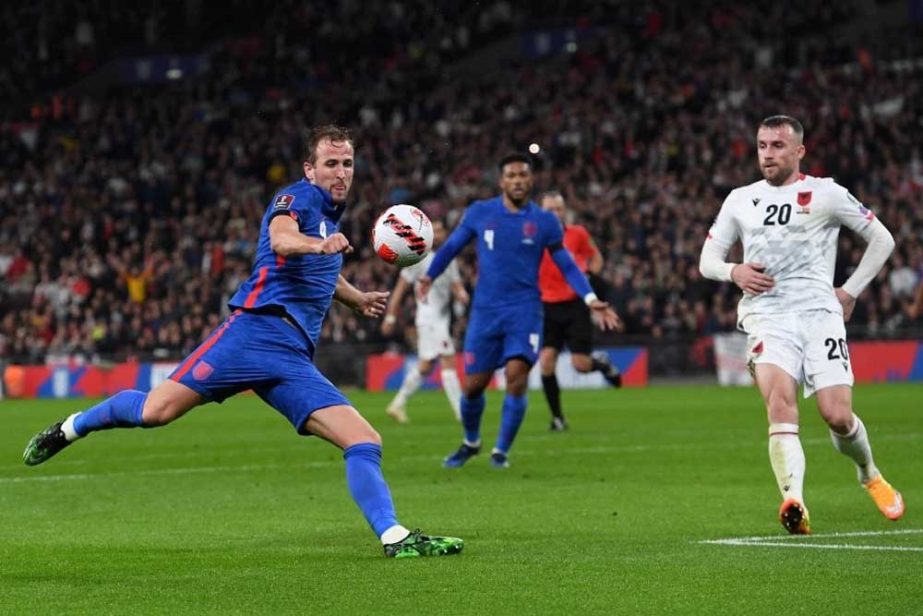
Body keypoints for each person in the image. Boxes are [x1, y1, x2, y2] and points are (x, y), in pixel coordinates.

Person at [22, 125, 463, 559]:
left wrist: (355, 298)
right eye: (331, 163)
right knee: (155, 412)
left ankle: (394, 537)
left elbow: (322, 269)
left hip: (291, 357)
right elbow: (282, 240)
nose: (341, 172)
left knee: (364, 440)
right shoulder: (298, 197)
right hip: (251, 334)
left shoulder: (330, 215)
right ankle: (71, 427)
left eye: (347, 163)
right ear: (310, 169)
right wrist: (317, 245)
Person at [699, 115, 904, 534]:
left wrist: (849, 292)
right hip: (767, 316)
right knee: (779, 404)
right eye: (761, 146)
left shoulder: (826, 194)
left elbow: (883, 239)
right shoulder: (740, 199)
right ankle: (794, 499)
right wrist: (733, 271)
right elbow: (708, 261)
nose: (768, 154)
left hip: (819, 316)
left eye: (777, 146)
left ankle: (869, 473)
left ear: (799, 151)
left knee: (837, 416)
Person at [418, 153, 621, 469]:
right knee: (473, 386)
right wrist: (429, 276)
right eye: (511, 175)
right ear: (501, 181)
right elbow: (452, 246)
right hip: (485, 312)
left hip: (525, 311)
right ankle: (471, 442)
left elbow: (566, 263)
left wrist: (590, 297)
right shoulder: (480, 213)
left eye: (523, 175)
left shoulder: (544, 221)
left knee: (516, 376)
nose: (517, 180)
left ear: (531, 180)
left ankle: (500, 451)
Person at [537, 191, 623, 432]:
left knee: (580, 365)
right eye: (549, 210)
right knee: (546, 362)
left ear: (564, 211)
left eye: (558, 209)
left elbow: (596, 257)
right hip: (548, 306)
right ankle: (557, 419)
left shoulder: (577, 234)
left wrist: (588, 277)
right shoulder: (534, 239)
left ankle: (602, 364)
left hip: (575, 305)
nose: (554, 214)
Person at [381, 219, 469, 423]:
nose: (438, 234)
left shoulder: (450, 258)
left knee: (426, 366)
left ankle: (397, 403)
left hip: (441, 318)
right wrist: (391, 317)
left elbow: (456, 285)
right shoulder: (418, 258)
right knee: (448, 358)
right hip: (429, 318)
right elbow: (400, 289)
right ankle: (461, 412)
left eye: (440, 230)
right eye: (434, 231)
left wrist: (462, 294)